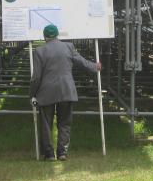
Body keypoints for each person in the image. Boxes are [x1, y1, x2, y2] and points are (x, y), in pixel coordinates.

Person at [29, 24, 101, 161]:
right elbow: (82, 62)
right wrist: (95, 66)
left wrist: (32, 94)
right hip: (66, 90)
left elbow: (36, 77)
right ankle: (62, 153)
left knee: (46, 124)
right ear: (57, 35)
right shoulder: (69, 47)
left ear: (44, 37)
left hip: (45, 93)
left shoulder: (39, 51)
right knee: (64, 123)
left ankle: (49, 154)